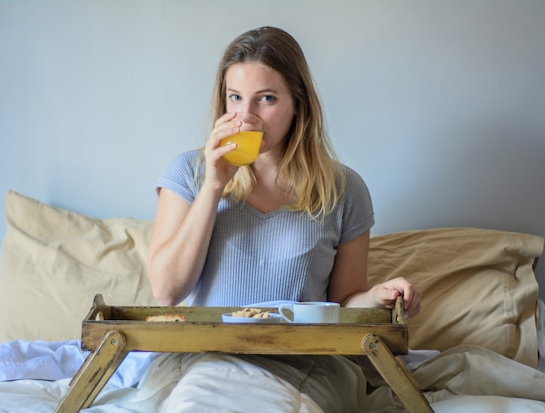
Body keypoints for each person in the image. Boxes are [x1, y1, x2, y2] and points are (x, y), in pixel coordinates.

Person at [144, 26, 421, 411]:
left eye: (267, 99)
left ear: (298, 104)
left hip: (304, 363)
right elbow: (166, 292)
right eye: (235, 98)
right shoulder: (190, 173)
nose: (246, 116)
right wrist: (212, 187)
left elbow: (341, 304)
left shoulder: (344, 189)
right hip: (204, 357)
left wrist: (378, 297)